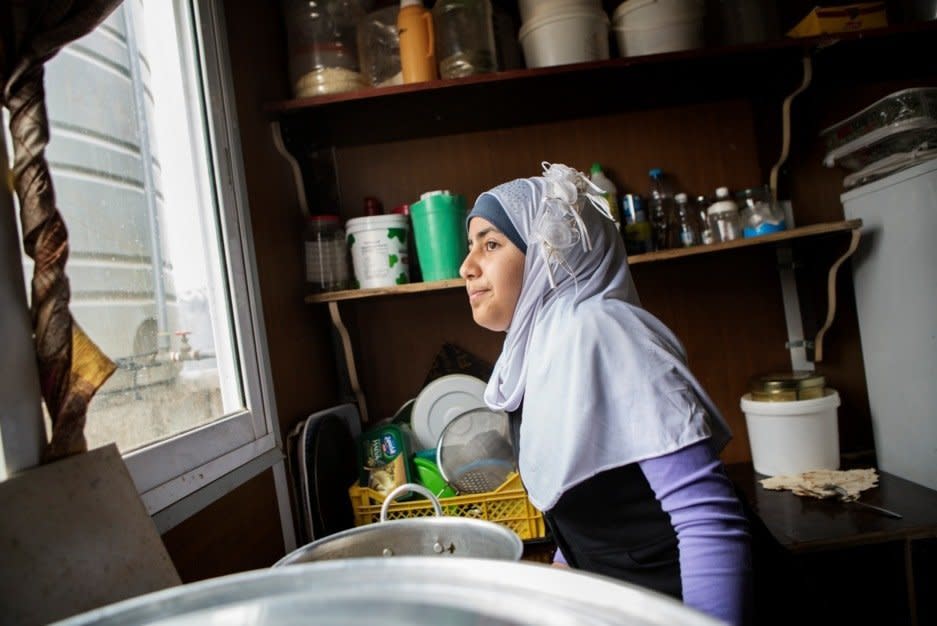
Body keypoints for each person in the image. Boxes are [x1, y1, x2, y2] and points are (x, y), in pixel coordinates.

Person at [459, 162, 752, 625]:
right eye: (470, 247)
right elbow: (592, 529)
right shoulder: (542, 355)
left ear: (549, 256)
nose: (466, 266)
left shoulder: (607, 332)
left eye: (491, 244)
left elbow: (706, 520)